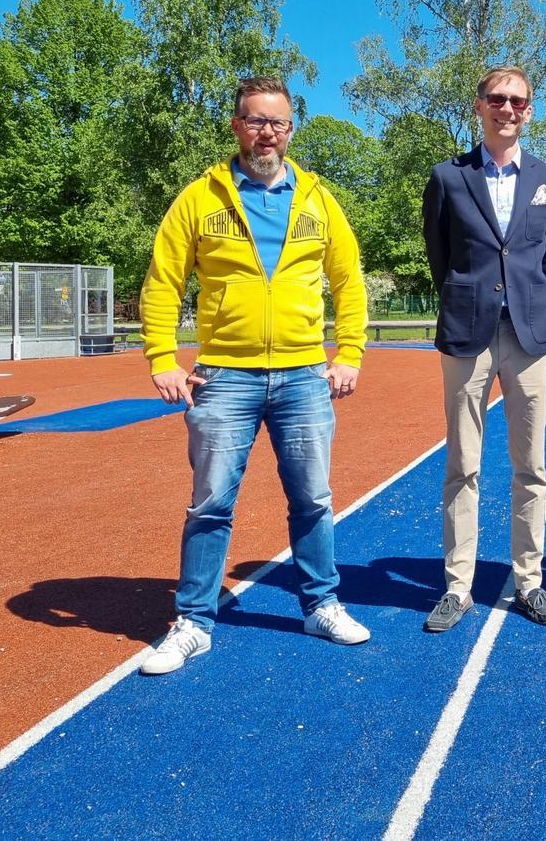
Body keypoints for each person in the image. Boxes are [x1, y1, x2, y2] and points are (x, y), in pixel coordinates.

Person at [138, 76, 371, 675]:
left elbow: (349, 283)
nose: (267, 132)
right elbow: (165, 279)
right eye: (255, 120)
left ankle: (321, 604)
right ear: (237, 125)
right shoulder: (200, 198)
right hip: (225, 376)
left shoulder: (319, 199)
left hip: (302, 375)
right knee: (210, 503)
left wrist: (350, 354)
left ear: (291, 130)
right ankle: (193, 620)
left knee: (313, 499)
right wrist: (162, 356)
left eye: (278, 122)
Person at [421, 65, 546, 633]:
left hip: (528, 336)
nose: (508, 109)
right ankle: (459, 586)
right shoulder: (447, 176)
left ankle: (529, 581)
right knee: (463, 465)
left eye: (518, 101)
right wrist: (470, 298)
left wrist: (520, 300)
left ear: (528, 110)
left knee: (531, 466)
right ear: (479, 106)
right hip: (467, 334)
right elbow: (440, 254)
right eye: (497, 99)